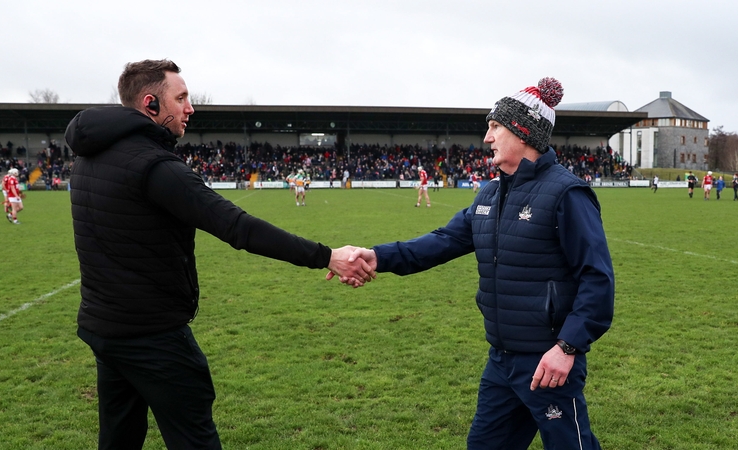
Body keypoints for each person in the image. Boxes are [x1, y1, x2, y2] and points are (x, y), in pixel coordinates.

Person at [65, 59, 373, 450]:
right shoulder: (155, 166)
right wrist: (327, 256)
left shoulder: (88, 158)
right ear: (150, 104)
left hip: (104, 329)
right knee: (194, 440)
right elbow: (238, 227)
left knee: (119, 438)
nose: (190, 108)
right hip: (152, 337)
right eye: (181, 98)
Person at [333, 78, 613, 449]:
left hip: (549, 363)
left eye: (495, 126)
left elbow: (597, 280)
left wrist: (567, 349)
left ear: (523, 132)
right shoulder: (491, 193)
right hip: (501, 361)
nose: (487, 137)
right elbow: (443, 241)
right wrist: (378, 256)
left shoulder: (567, 193)